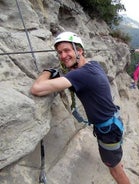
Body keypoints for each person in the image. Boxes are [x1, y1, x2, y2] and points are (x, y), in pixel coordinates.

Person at [30, 31, 130, 184]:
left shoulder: (79, 75)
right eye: (59, 53)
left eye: (67, 50)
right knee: (114, 158)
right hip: (113, 124)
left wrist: (47, 72)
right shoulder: (93, 65)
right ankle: (116, 160)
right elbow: (76, 74)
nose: (63, 56)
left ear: (80, 50)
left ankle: (117, 165)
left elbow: (36, 89)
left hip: (108, 131)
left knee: (114, 170)